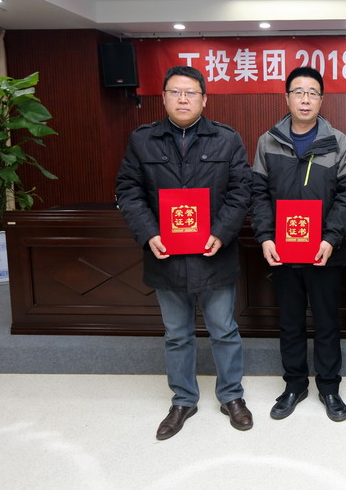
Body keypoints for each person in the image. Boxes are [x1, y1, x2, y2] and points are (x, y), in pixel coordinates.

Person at [115, 65, 253, 440]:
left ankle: (231, 396)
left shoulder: (227, 139)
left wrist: (222, 232)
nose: (182, 99)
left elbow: (242, 191)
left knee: (224, 330)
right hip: (167, 255)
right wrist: (149, 234)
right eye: (175, 92)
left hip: (214, 254)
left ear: (204, 99)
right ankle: (183, 400)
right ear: (163, 98)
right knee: (177, 334)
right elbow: (128, 191)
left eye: (190, 92)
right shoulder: (143, 140)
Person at [250, 66, 346, 422]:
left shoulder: (339, 142)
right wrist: (265, 236)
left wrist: (331, 237)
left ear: (321, 100)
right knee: (290, 321)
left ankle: (329, 387)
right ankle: (294, 385)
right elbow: (258, 194)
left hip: (325, 250)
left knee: (327, 321)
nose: (305, 99)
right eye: (299, 92)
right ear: (287, 98)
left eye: (312, 93)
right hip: (282, 250)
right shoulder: (268, 141)